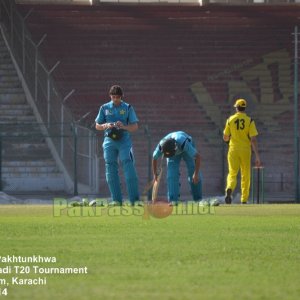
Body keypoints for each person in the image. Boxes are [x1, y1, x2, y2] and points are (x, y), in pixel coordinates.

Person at [95, 85, 140, 206]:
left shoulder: (127, 107)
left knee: (128, 165)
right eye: (113, 97)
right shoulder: (104, 108)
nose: (115, 99)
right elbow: (97, 125)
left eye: (118, 97)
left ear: (121, 96)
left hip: (124, 141)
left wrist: (123, 126)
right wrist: (105, 125)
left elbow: (135, 126)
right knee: (110, 167)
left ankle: (135, 201)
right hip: (109, 140)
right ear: (110, 96)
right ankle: (116, 200)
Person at [223, 98, 261, 204]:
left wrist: (230, 140)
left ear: (236, 108)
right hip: (245, 150)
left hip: (233, 149)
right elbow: (253, 139)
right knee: (245, 174)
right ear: (244, 108)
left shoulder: (230, 120)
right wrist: (257, 156)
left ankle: (229, 188)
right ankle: (244, 199)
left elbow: (225, 137)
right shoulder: (249, 120)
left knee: (232, 173)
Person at [152, 131, 202, 205]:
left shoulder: (184, 143)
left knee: (193, 170)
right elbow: (154, 158)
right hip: (173, 149)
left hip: (185, 148)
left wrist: (196, 173)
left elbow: (198, 157)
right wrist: (155, 174)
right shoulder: (161, 146)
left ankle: (198, 199)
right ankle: (173, 200)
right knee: (171, 175)